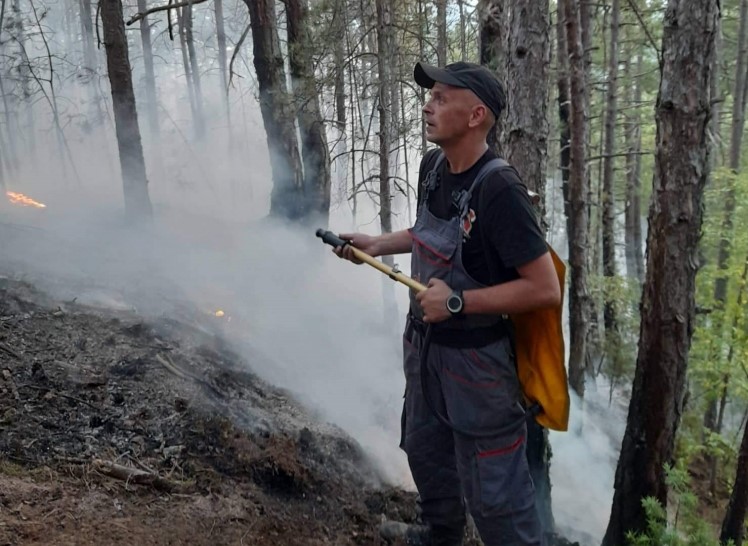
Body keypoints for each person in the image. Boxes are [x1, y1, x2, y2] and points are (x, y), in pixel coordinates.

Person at [335, 61, 561, 546]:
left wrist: (457, 303)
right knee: (426, 451)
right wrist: (376, 244)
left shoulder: (500, 189)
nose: (426, 105)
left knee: (496, 496)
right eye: (429, 96)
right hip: (425, 351)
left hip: (479, 368)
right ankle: (440, 535)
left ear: (476, 114)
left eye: (440, 97)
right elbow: (428, 235)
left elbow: (544, 288)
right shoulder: (433, 168)